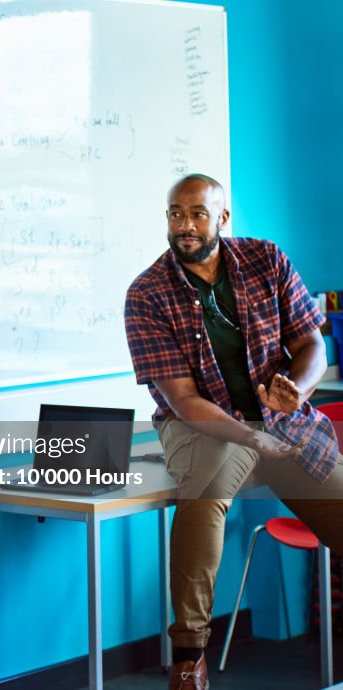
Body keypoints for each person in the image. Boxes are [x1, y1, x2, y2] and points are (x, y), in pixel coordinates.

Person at [124, 173, 343, 690]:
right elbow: (184, 400)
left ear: (222, 218)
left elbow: (314, 343)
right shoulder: (147, 294)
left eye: (198, 214)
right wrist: (254, 440)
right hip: (204, 425)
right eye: (176, 214)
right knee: (202, 498)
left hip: (281, 417)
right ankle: (189, 659)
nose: (185, 226)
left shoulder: (266, 260)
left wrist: (299, 389)